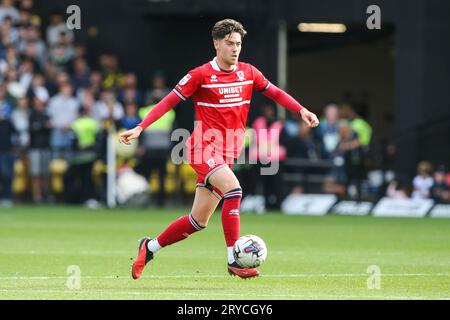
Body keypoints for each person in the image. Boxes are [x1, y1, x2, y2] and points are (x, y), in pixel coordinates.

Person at [119, 19, 319, 279]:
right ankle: (233, 261)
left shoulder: (249, 72)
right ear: (216, 44)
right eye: (229, 43)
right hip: (201, 148)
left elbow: (276, 93)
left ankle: (150, 247)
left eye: (238, 44)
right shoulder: (200, 75)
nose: (235, 49)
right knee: (234, 190)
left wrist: (301, 109)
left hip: (226, 154)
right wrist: (140, 127)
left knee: (197, 221)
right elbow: (168, 101)